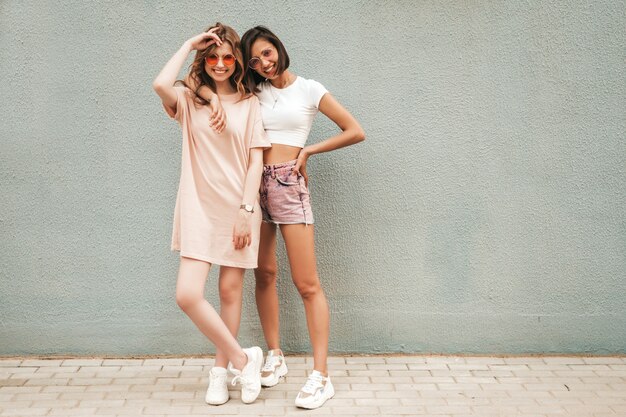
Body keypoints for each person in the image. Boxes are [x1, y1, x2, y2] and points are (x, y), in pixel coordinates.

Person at [200, 25, 365, 409]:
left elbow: (355, 130)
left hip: (288, 184)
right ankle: (276, 355)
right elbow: (199, 84)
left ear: (279, 48)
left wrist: (308, 153)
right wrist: (209, 98)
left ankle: (321, 376)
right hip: (252, 186)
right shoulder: (252, 90)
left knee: (306, 284)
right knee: (265, 273)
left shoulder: (309, 88)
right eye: (254, 60)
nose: (263, 64)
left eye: (267, 54)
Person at [152, 23, 271, 405]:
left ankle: (220, 374)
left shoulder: (251, 104)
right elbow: (159, 84)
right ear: (204, 61)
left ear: (237, 61)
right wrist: (188, 43)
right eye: (212, 58)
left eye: (227, 57)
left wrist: (246, 210)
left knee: (229, 291)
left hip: (238, 208)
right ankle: (243, 358)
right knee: (187, 294)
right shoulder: (189, 100)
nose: (220, 64)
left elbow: (256, 162)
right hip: (198, 208)